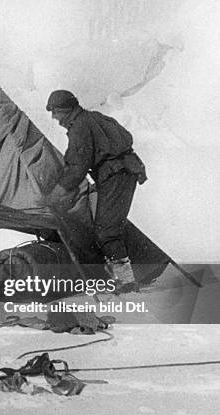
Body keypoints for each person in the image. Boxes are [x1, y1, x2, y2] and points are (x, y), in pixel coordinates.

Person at [45, 90, 147, 292]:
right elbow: (125, 137)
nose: (54, 118)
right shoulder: (93, 117)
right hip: (123, 172)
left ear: (66, 110)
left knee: (106, 230)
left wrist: (57, 192)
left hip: (116, 174)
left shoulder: (79, 128)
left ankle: (126, 281)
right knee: (110, 225)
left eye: (56, 112)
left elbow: (77, 166)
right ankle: (136, 271)